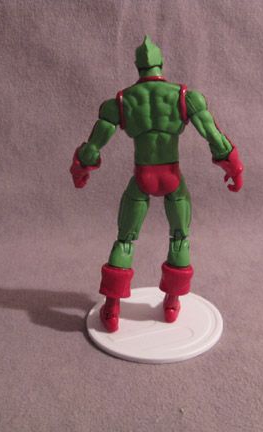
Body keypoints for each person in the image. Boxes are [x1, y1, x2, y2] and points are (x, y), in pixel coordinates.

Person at [70, 36, 244, 332]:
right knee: (180, 238)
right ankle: (172, 302)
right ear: (160, 63)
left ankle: (112, 307)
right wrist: (233, 166)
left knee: (125, 241)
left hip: (142, 177)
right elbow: (213, 135)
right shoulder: (184, 97)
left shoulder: (122, 102)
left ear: (137, 65)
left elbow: (95, 144)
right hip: (171, 176)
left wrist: (81, 169)